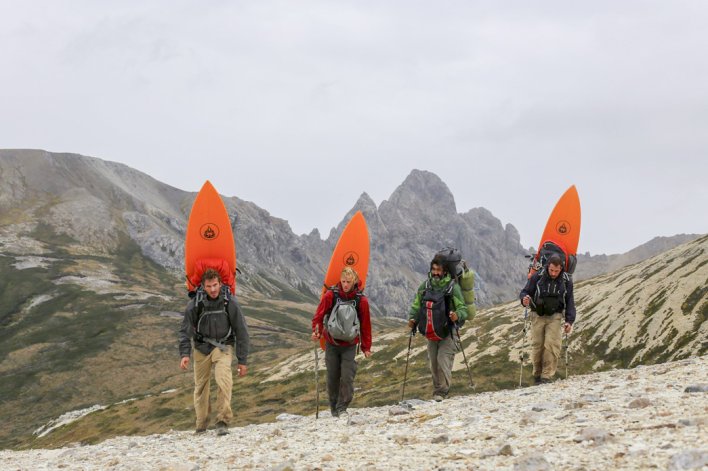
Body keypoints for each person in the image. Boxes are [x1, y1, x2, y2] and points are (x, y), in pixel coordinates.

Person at [179, 268, 250, 435]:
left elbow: (242, 331)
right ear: (203, 286)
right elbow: (185, 330)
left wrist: (242, 360)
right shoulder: (195, 304)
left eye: (215, 285)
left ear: (221, 284)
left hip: (223, 346)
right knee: (201, 387)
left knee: (223, 379)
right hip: (201, 348)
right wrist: (184, 354)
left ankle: (222, 422)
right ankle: (201, 425)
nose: (213, 289)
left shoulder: (230, 302)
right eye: (209, 286)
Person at [312, 267, 372, 418]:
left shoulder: (361, 300)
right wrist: (316, 331)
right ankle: (334, 408)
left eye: (349, 282)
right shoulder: (331, 295)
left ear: (355, 281)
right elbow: (319, 315)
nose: (345, 284)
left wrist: (366, 347)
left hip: (350, 345)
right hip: (331, 343)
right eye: (343, 281)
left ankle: (342, 407)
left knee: (347, 376)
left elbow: (365, 325)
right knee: (332, 376)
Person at [407, 255, 468, 401]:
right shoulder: (425, 286)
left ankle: (442, 391)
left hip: (449, 332)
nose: (435, 272)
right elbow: (416, 305)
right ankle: (437, 391)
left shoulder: (453, 288)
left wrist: (457, 315)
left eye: (438, 270)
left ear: (445, 271)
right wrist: (412, 318)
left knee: (442, 359)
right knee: (433, 362)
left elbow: (463, 309)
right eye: (433, 269)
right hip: (432, 331)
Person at [519, 254, 576, 384]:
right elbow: (525, 291)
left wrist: (569, 321)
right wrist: (525, 299)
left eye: (557, 271)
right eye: (551, 270)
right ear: (547, 267)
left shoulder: (567, 280)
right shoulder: (537, 276)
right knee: (537, 345)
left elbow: (570, 301)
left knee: (551, 345)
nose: (554, 273)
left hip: (555, 316)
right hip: (537, 315)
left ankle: (546, 376)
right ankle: (537, 375)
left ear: (561, 268)